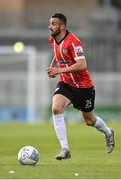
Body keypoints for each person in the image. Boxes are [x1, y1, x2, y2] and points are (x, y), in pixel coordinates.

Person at [47, 13, 115, 160]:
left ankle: (108, 132)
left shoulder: (74, 42)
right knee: (56, 108)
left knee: (89, 120)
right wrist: (53, 66)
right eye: (50, 23)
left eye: (53, 24)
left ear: (62, 26)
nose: (50, 26)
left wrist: (59, 70)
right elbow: (57, 52)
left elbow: (82, 65)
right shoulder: (52, 39)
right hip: (66, 83)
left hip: (83, 87)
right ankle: (65, 149)